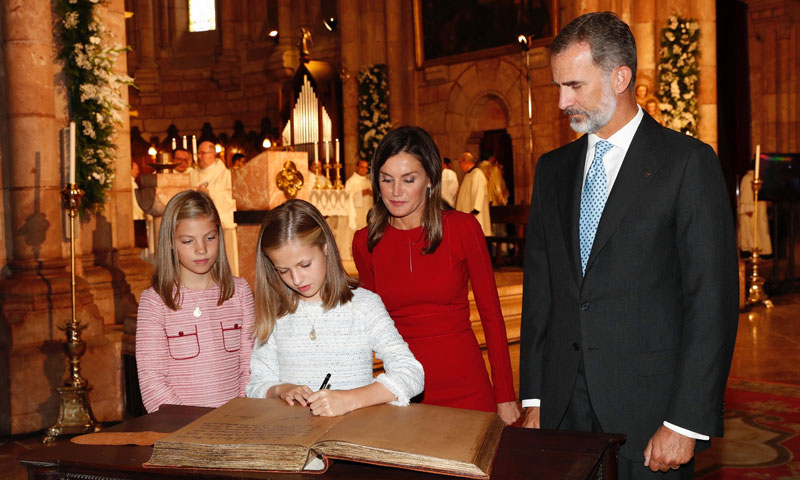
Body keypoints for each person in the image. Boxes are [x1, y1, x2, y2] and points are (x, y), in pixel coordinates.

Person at [519, 12, 738, 479]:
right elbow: (542, 294)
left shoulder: (686, 164)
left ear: (620, 78)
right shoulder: (552, 170)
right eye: (559, 86)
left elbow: (710, 302)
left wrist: (685, 421)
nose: (562, 101)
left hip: (650, 414)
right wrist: (536, 398)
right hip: (562, 413)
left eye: (574, 85)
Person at [352, 126, 519, 425]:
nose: (395, 191)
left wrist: (505, 395)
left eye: (408, 180)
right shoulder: (365, 242)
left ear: (430, 179)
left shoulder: (463, 229)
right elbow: (368, 327)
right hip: (404, 390)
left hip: (466, 384)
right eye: (386, 179)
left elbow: (492, 316)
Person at [246, 199, 424, 416]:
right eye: (283, 270)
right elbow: (256, 385)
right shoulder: (276, 313)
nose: (296, 278)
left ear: (325, 248)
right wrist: (280, 390)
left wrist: (350, 399)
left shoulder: (363, 306)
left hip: (355, 437)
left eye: (305, 265)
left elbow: (412, 374)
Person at [136, 190, 255, 413]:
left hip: (236, 423)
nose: (201, 249)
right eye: (188, 241)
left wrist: (240, 414)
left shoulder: (239, 292)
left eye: (209, 238)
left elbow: (249, 367)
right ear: (170, 243)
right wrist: (193, 427)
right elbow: (152, 384)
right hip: (181, 428)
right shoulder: (155, 302)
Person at [192, 140, 239, 276]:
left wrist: (210, 195)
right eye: (198, 153)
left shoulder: (226, 175)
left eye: (203, 153)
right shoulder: (193, 174)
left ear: (213, 154)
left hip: (223, 226)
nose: (199, 156)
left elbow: (233, 199)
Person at [455, 152, 492, 236]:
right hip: (467, 217)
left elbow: (479, 193)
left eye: (460, 162)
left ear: (465, 161)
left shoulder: (477, 174)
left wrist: (475, 210)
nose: (460, 165)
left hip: (475, 216)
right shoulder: (468, 175)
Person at [739, 168, 772, 256]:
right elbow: (746, 195)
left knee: (758, 231)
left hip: (756, 211)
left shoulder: (755, 179)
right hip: (751, 212)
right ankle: (752, 250)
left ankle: (760, 251)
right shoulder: (748, 178)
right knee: (752, 232)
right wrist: (748, 208)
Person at [345, 159, 374, 230]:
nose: (364, 170)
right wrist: (361, 193)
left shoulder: (368, 182)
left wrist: (372, 193)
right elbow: (347, 199)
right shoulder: (350, 182)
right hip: (356, 212)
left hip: (367, 210)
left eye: (366, 168)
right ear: (357, 167)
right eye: (362, 167)